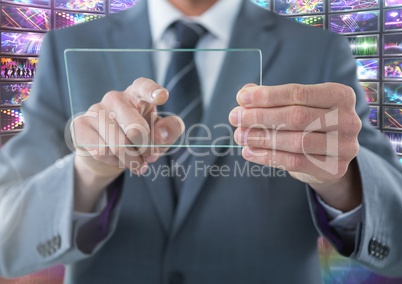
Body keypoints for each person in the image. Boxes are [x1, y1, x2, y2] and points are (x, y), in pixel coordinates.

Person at [0, 0, 402, 283]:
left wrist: (343, 180)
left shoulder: (319, 50)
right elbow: (7, 241)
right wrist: (87, 172)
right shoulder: (68, 46)